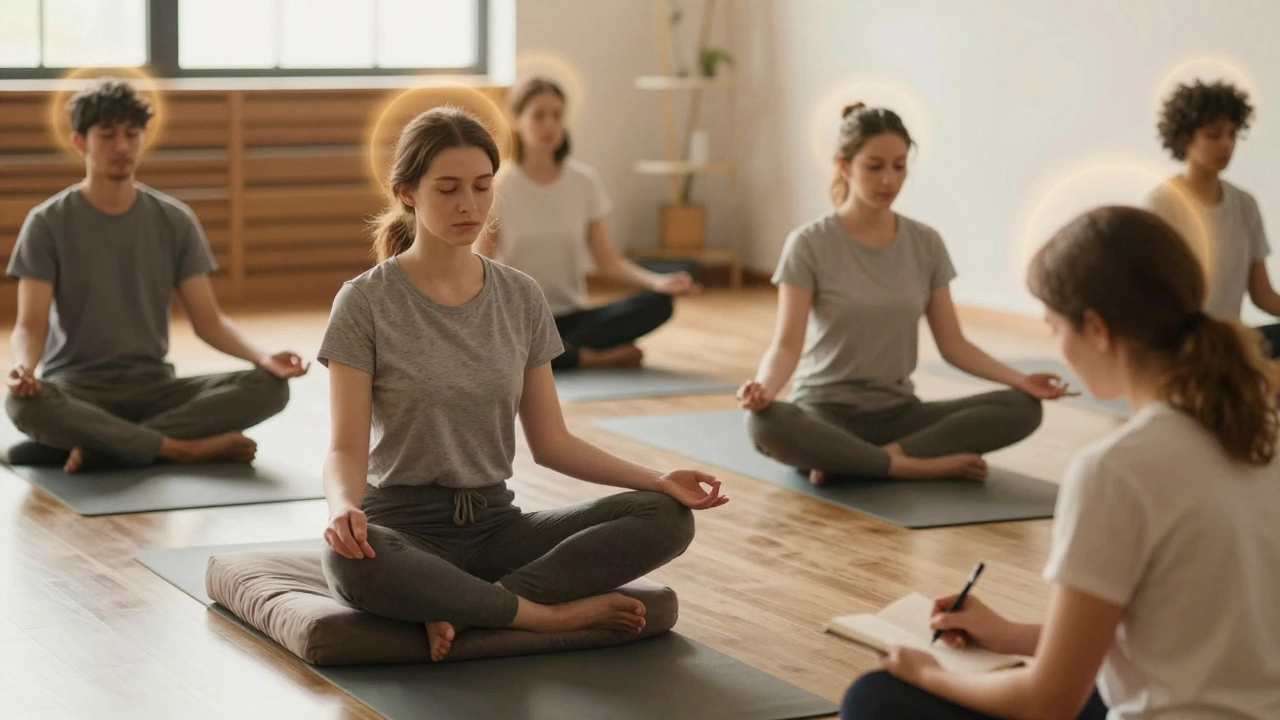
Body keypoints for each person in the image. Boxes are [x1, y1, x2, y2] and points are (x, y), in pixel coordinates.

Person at [318, 106, 728, 663]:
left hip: (494, 528)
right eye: (448, 189)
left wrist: (657, 478)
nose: (470, 205)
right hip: (403, 528)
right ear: (408, 193)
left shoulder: (520, 296)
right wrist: (343, 506)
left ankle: (477, 606)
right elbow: (345, 445)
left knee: (665, 516)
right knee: (348, 560)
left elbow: (552, 443)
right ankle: (544, 616)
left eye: (482, 187)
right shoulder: (365, 301)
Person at [842, 206, 1280, 720]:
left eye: (1055, 328)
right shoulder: (1260, 435)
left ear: (1096, 328)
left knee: (877, 698)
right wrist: (1008, 635)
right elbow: (1179, 628)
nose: (1058, 348)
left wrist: (927, 673)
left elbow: (1047, 702)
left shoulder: (1116, 470)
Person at [740, 104, 1065, 484]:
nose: (888, 180)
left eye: (899, 166)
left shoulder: (925, 243)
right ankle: (911, 465)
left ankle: (866, 460)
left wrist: (1021, 380)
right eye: (874, 167)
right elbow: (785, 346)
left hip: (900, 416)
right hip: (825, 414)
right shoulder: (809, 243)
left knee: (1023, 408)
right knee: (764, 424)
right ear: (844, 166)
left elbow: (954, 345)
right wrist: (763, 389)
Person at [4, 78, 307, 474]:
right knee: (23, 403)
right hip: (79, 390)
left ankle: (106, 445)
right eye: (108, 135)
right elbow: (29, 325)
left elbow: (209, 321)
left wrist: (263, 357)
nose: (123, 146)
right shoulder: (46, 222)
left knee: (269, 388)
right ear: (80, 142)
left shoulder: (174, 220)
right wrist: (23, 369)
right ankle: (181, 449)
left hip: (156, 388)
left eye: (132, 134)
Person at [484, 77, 699, 370]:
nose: (549, 124)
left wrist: (658, 282)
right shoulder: (498, 186)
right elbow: (479, 264)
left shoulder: (584, 182)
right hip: (521, 319)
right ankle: (591, 357)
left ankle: (562, 354)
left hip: (574, 316)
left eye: (557, 115)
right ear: (516, 120)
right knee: (505, 343)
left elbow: (607, 262)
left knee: (659, 303)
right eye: (539, 115)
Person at [1148, 80, 1280, 357]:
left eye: (1232, 135)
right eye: (1214, 135)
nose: (1227, 145)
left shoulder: (1244, 204)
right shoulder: (1162, 205)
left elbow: (1262, 295)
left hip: (1232, 342)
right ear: (1185, 138)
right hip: (1186, 348)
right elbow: (1154, 300)